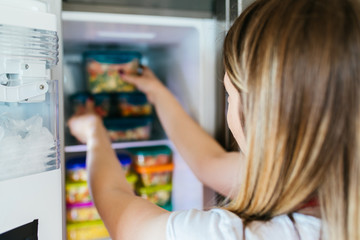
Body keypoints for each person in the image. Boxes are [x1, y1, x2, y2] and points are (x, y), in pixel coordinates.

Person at [68, 0, 360, 239]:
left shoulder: (231, 234)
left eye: (230, 95)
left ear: (261, 117)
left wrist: (95, 133)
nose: (228, 105)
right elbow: (210, 162)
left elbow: (118, 211)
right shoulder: (331, 191)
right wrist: (157, 93)